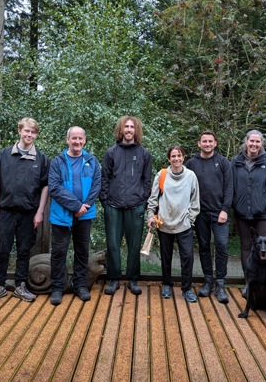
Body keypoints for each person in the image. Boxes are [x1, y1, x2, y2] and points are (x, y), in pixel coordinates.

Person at [0, 118, 50, 304]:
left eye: (33, 132)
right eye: (26, 131)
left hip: (29, 212)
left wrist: (40, 212)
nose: (29, 135)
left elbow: (45, 187)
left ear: (36, 135)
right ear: (19, 131)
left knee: (24, 249)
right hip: (5, 210)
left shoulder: (42, 159)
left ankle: (20, 285)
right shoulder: (2, 155)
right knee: (2, 247)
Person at [48, 126, 101, 306]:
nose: (77, 142)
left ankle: (80, 285)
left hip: (85, 215)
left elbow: (96, 186)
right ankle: (57, 287)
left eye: (80, 138)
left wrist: (84, 207)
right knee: (59, 252)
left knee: (82, 251)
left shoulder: (92, 160)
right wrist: (75, 206)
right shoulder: (58, 161)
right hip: (62, 215)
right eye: (74, 138)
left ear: (84, 140)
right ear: (67, 140)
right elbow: (54, 187)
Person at [100, 116, 152, 296]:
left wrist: (143, 202)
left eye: (132, 127)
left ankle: (133, 279)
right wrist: (105, 202)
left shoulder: (144, 154)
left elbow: (147, 181)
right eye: (126, 127)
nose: (129, 130)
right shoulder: (111, 152)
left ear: (136, 130)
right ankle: (114, 279)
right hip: (113, 206)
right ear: (120, 130)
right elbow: (104, 178)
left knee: (134, 244)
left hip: (135, 205)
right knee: (113, 244)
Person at [231, 130, 266, 297]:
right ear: (246, 142)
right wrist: (234, 205)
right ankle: (249, 284)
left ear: (262, 143)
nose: (254, 145)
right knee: (246, 248)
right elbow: (230, 186)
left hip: (265, 214)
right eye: (251, 141)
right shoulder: (236, 161)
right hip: (242, 213)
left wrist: (265, 203)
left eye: (257, 142)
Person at [147, 145, 200, 302]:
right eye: (173, 156)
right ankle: (166, 285)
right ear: (169, 158)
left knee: (187, 257)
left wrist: (190, 220)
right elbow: (153, 198)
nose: (176, 159)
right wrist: (151, 215)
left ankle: (187, 288)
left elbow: (195, 201)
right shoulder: (162, 175)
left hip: (184, 224)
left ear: (183, 157)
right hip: (164, 223)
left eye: (179, 156)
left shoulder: (191, 176)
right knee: (166, 256)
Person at [185, 130, 233, 303]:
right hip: (199, 213)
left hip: (219, 212)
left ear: (215, 143)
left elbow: (229, 188)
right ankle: (208, 281)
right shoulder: (191, 164)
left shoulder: (223, 162)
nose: (207, 144)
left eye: (210, 141)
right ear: (199, 143)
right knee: (204, 246)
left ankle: (220, 283)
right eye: (204, 141)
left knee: (222, 245)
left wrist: (225, 209)